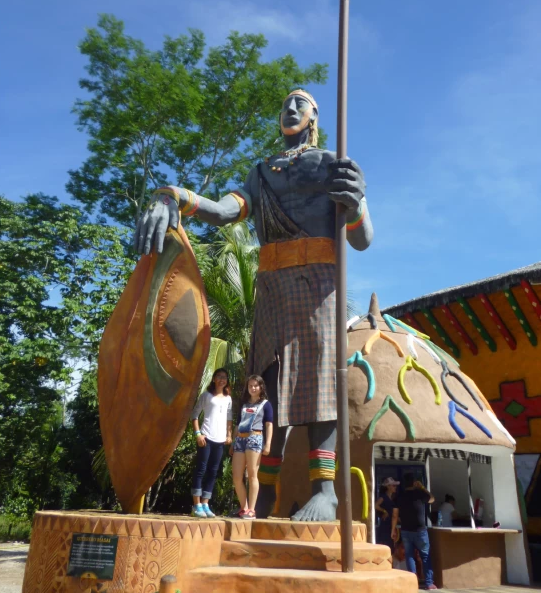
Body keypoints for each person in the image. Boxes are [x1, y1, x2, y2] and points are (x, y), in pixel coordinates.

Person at [134, 89, 373, 521]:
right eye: (286, 103)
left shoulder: (332, 165)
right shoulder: (261, 174)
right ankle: (263, 497)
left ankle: (325, 492)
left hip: (318, 285)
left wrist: (355, 202)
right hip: (272, 285)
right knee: (266, 385)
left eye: (302, 103)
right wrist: (173, 196)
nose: (292, 108)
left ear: (316, 116)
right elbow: (225, 212)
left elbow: (362, 237)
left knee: (320, 379)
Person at [190, 368, 233, 518]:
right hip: (206, 438)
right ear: (214, 379)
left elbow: (229, 418)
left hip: (220, 440)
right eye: (219, 377)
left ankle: (205, 503)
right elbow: (194, 415)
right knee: (201, 469)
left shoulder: (228, 398)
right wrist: (198, 434)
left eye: (225, 377)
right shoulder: (206, 396)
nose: (222, 380)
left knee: (213, 472)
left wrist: (229, 435)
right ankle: (196, 505)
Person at [230, 375, 273, 518]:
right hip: (240, 439)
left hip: (255, 438)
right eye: (250, 386)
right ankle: (244, 508)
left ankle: (252, 510)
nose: (253, 388)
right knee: (237, 476)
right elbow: (238, 424)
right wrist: (233, 442)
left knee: (252, 474)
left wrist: (268, 444)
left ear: (261, 387)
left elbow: (269, 424)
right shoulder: (244, 404)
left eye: (255, 385)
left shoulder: (266, 404)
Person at [391, 473, 437, 590]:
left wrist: (393, 530)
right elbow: (432, 499)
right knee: (425, 556)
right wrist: (422, 487)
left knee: (409, 556)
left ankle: (413, 582)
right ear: (414, 482)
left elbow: (395, 515)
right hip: (420, 530)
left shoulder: (399, 496)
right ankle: (429, 583)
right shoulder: (420, 493)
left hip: (406, 530)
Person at [375, 477, 400, 551]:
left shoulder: (392, 498)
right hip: (385, 526)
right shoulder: (383, 497)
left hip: (391, 525)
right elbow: (375, 505)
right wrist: (384, 511)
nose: (395, 487)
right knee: (386, 546)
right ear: (388, 486)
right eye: (393, 485)